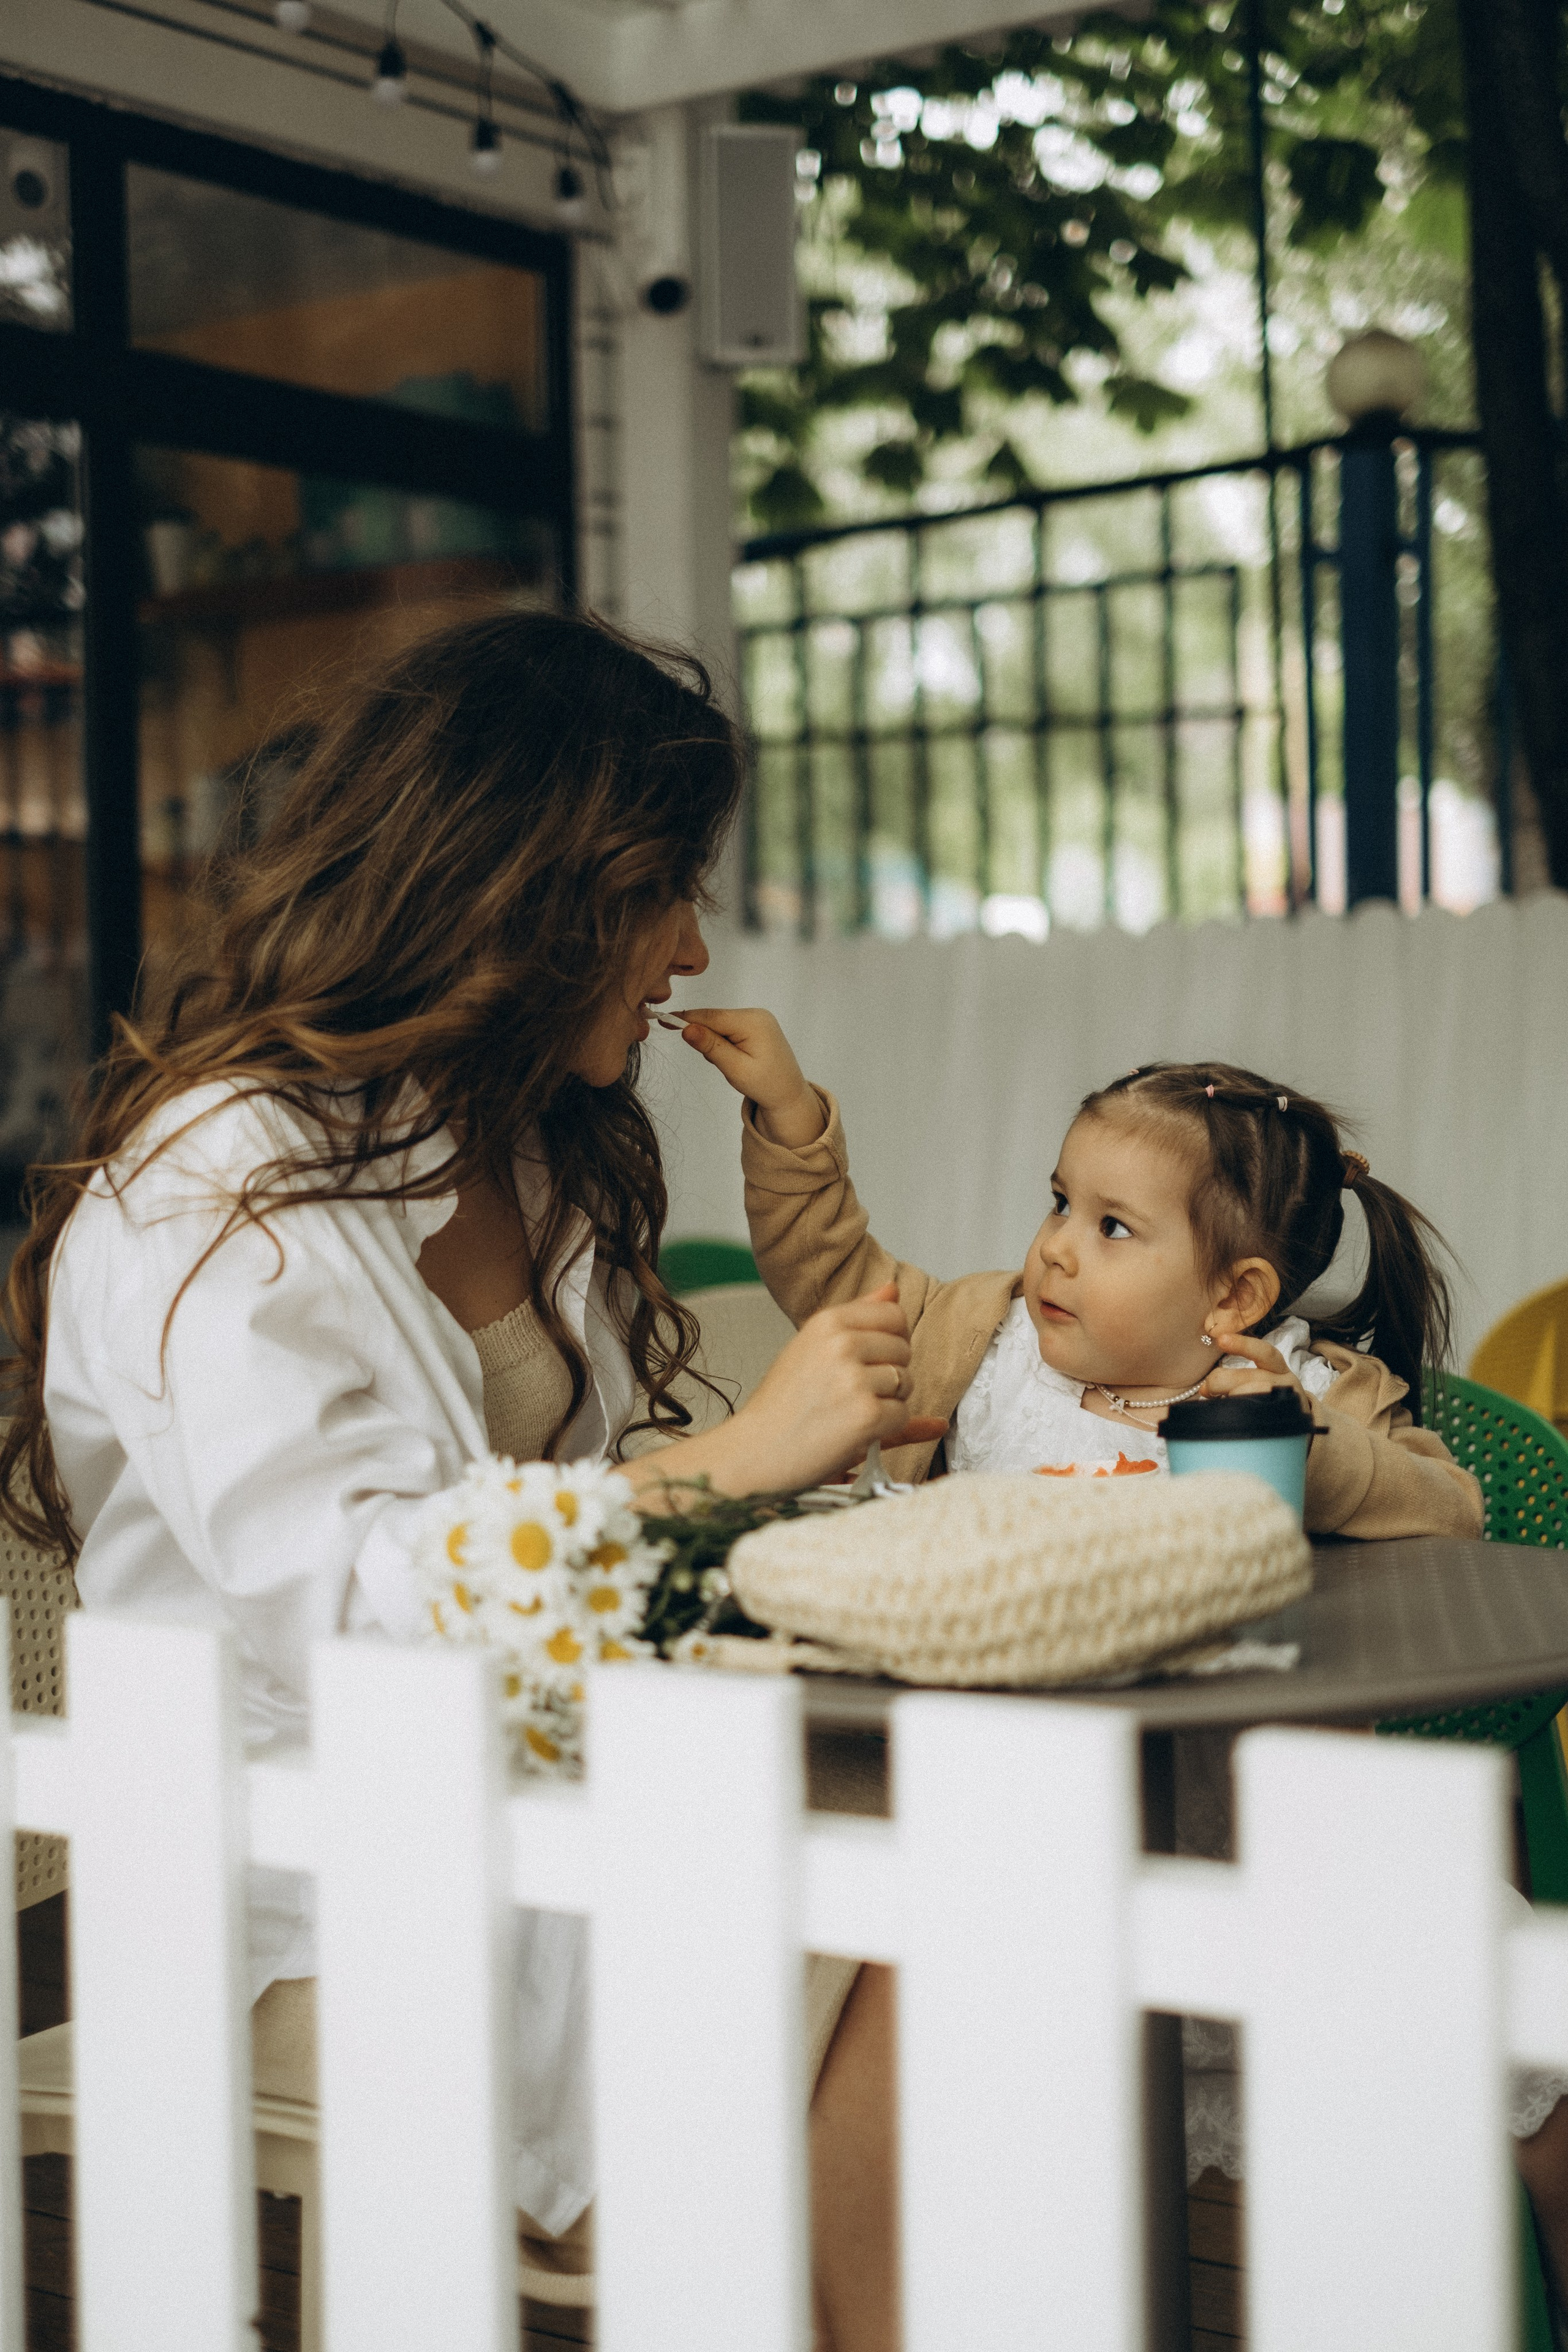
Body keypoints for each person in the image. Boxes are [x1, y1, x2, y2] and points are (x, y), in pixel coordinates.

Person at [0, 612, 915, 2351]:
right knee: (911, 1903)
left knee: (933, 1844)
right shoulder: (218, 1177)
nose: (694, 946)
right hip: (304, 1877)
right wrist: (735, 1463)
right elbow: (346, 1600)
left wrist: (817, 1512)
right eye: (668, 888)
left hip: (532, 1790)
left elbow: (574, 1518)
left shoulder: (509, 1139)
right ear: (539, 882)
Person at [679, 1015, 1483, 1536]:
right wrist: (789, 1115)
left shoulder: (1299, 1400)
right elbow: (830, 1268)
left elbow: (1454, 1514)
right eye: (1060, 1202)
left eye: (1113, 1226)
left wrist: (1313, 1450)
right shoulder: (983, 1340)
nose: (1058, 1246)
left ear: (1234, 1297)